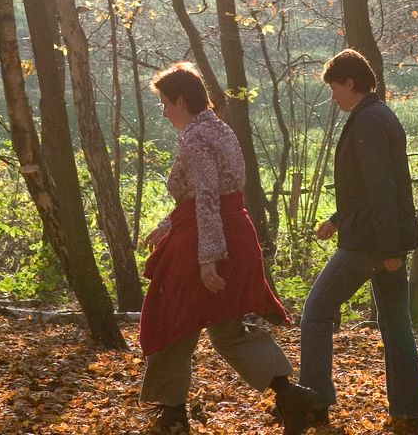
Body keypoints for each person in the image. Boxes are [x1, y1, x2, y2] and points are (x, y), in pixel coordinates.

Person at [137, 63, 322, 435]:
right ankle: (290, 395)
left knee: (172, 318)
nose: (163, 111)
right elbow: (206, 195)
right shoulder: (220, 130)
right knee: (226, 326)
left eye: (164, 102)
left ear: (180, 100)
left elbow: (206, 198)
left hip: (209, 239)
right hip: (233, 232)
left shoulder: (195, 139)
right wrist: (167, 225)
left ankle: (172, 414)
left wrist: (208, 259)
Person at [298, 48, 418, 434]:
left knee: (316, 313)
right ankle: (408, 415)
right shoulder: (377, 115)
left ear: (350, 83)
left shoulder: (368, 122)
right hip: (376, 238)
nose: (333, 96)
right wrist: (338, 220)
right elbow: (367, 186)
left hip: (370, 245)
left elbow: (383, 189)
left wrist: (390, 252)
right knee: (396, 326)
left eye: (334, 88)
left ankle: (314, 404)